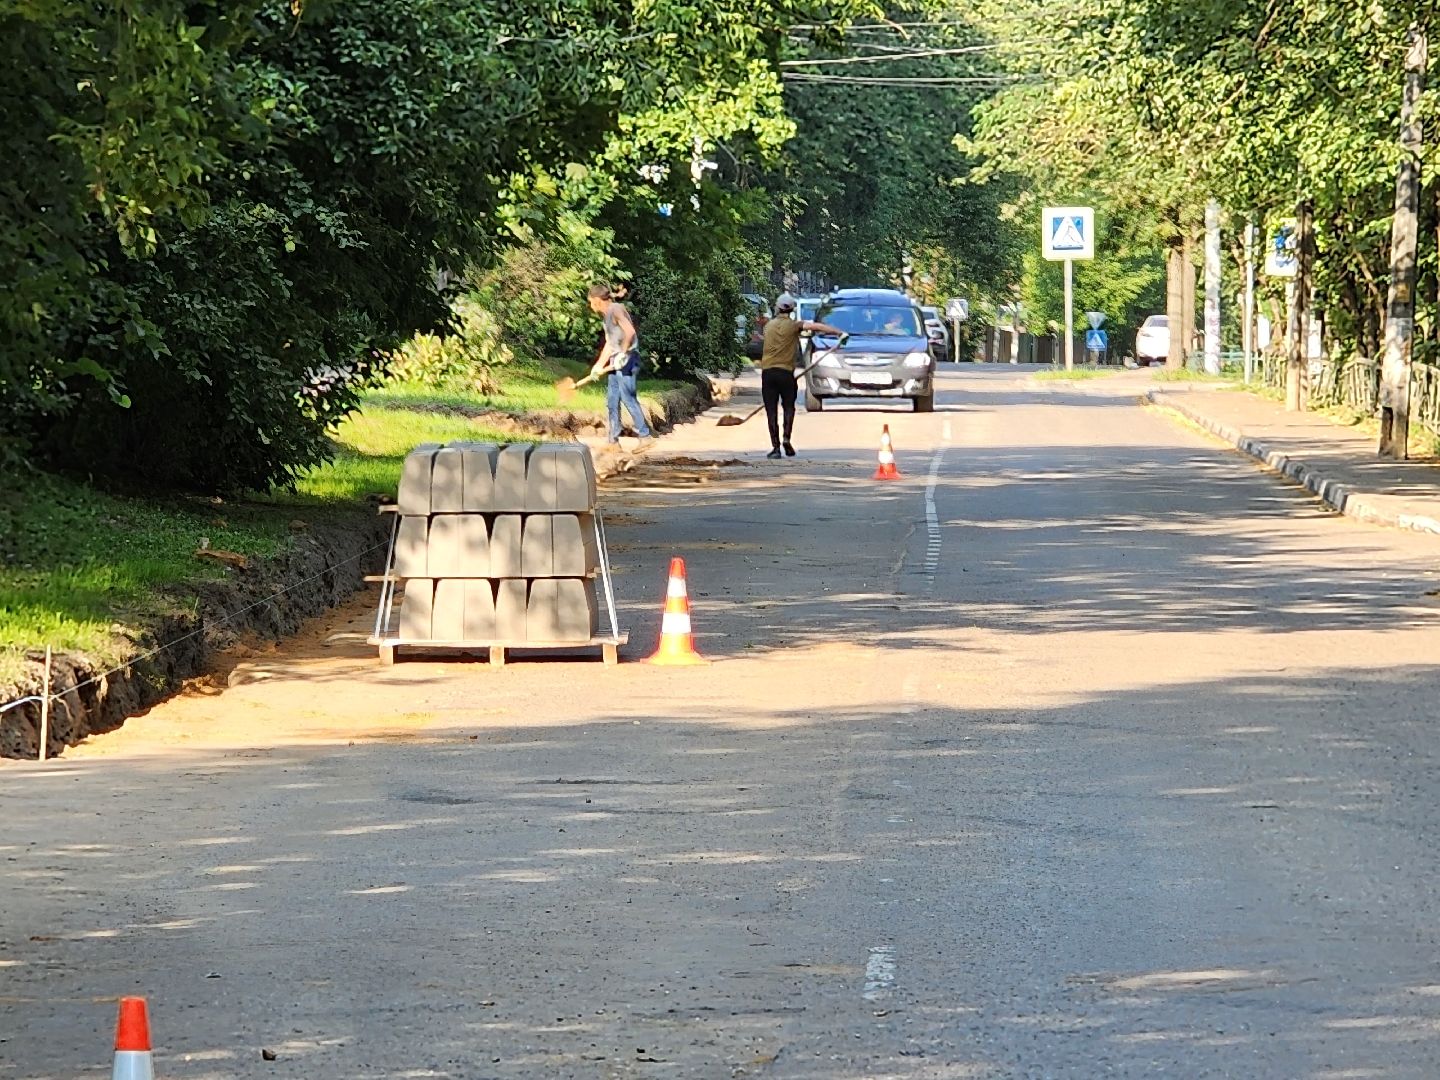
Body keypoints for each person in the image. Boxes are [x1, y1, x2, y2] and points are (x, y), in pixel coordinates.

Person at [757, 298, 845, 459]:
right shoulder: (794, 326)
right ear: (791, 310)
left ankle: (775, 447)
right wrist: (839, 333)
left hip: (768, 373)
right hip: (786, 374)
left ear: (777, 308)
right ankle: (786, 439)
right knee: (788, 408)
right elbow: (817, 327)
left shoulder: (768, 326)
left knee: (771, 411)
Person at [587, 283, 652, 448]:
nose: (590, 306)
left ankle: (645, 437)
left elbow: (630, 332)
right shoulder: (606, 317)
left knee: (627, 397)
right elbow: (610, 344)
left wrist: (623, 353)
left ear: (597, 300)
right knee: (612, 400)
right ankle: (613, 442)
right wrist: (598, 366)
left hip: (628, 359)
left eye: (591, 302)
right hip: (616, 360)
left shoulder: (615, 309)